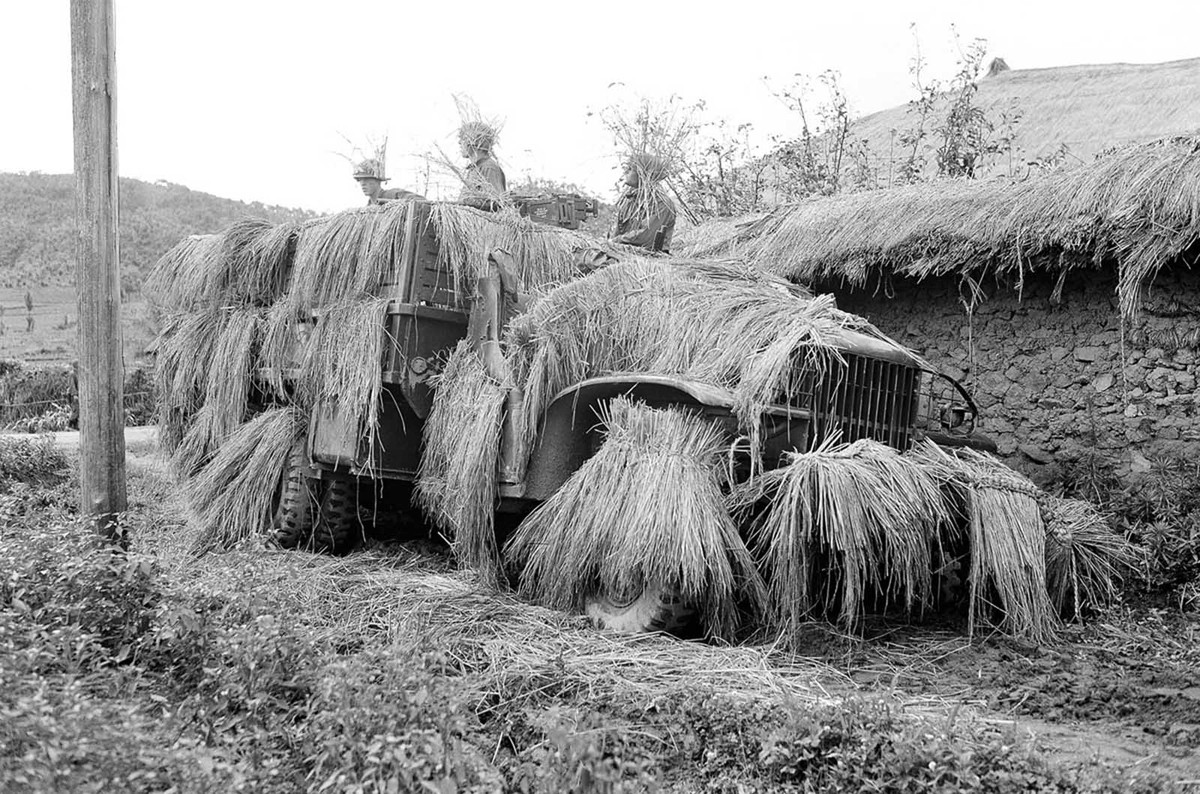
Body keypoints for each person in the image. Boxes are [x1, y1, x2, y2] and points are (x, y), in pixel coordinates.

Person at [610, 153, 676, 253]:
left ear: (643, 174)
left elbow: (646, 237)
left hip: (650, 259)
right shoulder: (628, 201)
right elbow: (616, 235)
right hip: (623, 253)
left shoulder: (661, 202)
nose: (626, 171)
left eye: (631, 168)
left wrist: (613, 242)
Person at [457, 121, 507, 209]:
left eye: (463, 139)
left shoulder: (488, 168)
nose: (459, 143)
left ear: (474, 142)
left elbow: (497, 202)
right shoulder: (476, 168)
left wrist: (469, 202)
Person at [353, 158, 424, 206]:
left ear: (378, 180)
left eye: (366, 179)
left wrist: (398, 206)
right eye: (360, 180)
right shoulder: (367, 208)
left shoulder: (392, 195)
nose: (362, 183)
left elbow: (420, 201)